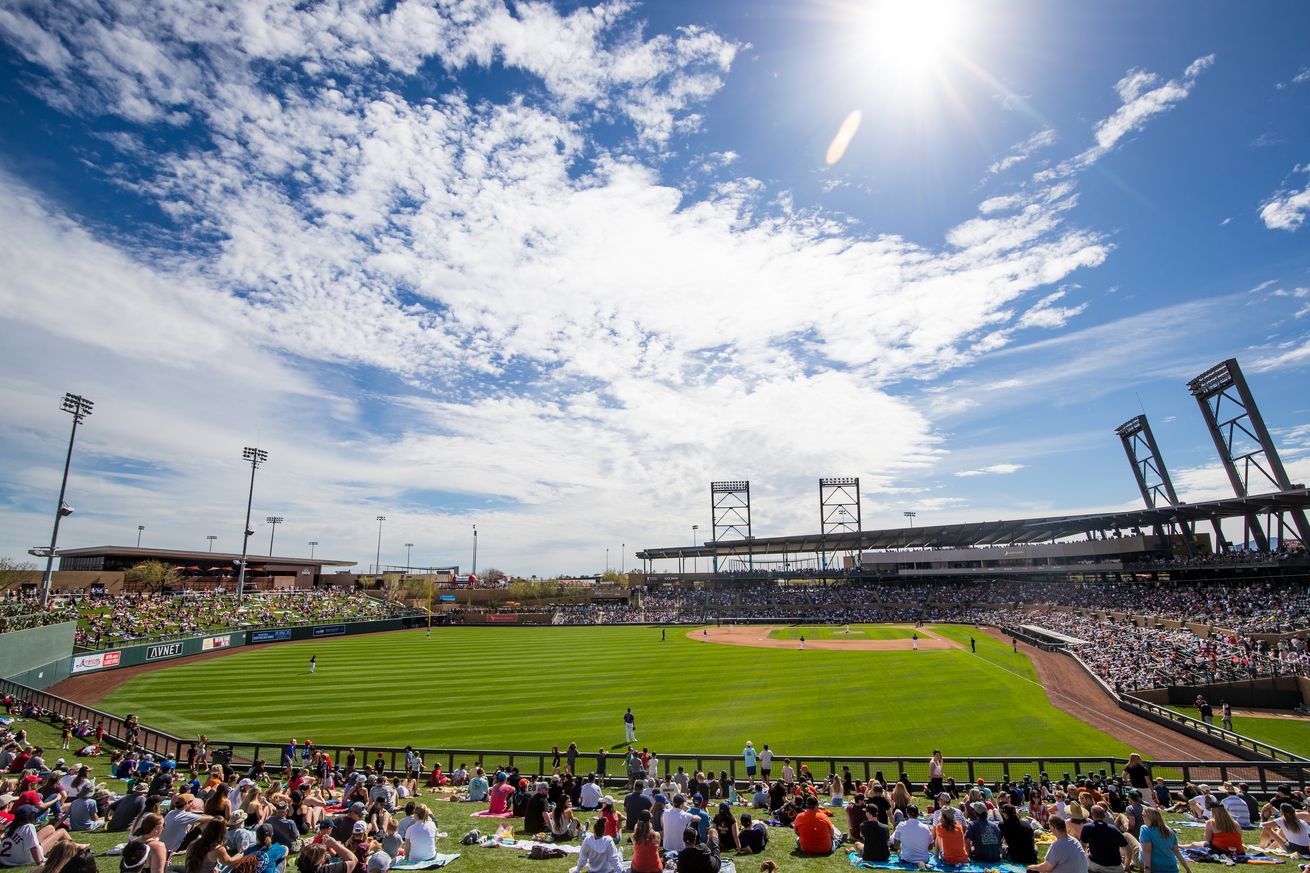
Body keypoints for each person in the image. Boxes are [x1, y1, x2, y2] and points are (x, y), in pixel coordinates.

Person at [1139, 808, 1193, 873]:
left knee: (1133, 843)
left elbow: (1147, 850)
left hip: (1155, 868)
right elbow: (1177, 852)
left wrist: (1147, 869)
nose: (1141, 817)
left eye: (1143, 815)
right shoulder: (1169, 830)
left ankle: (1129, 864)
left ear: (1149, 817)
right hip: (1172, 868)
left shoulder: (1145, 829)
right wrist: (1188, 869)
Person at [1081, 805, 1128, 873]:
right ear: (1104, 816)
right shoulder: (1114, 829)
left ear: (1092, 815)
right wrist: (1126, 865)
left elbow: (1083, 846)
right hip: (1116, 868)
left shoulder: (1087, 827)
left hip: (1097, 865)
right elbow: (1128, 848)